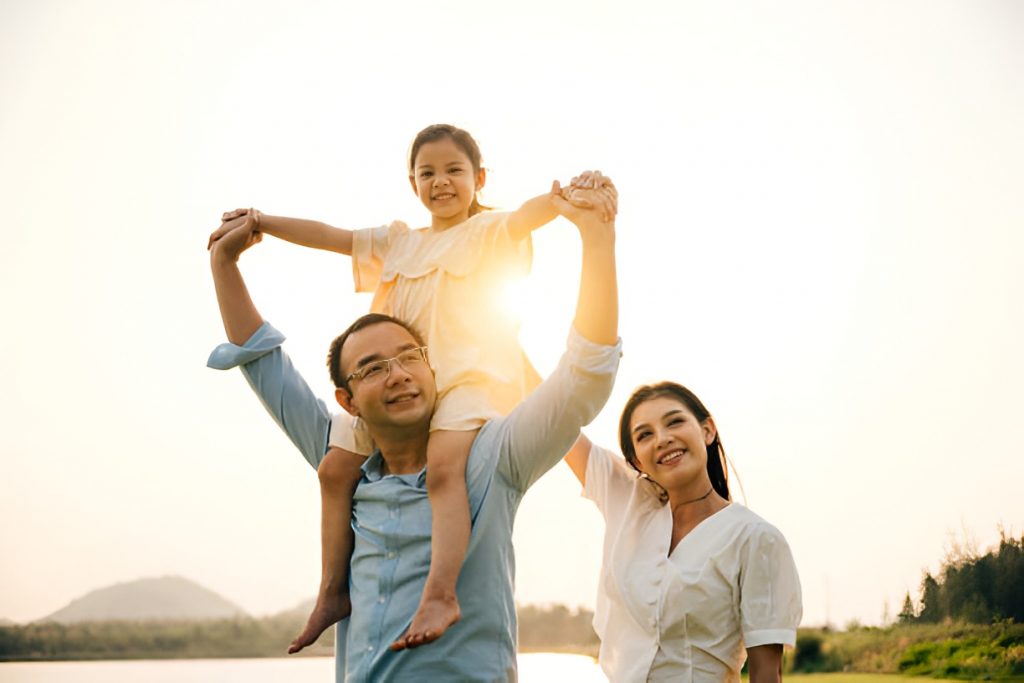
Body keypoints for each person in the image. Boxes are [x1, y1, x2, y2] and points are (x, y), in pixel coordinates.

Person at [208, 123, 615, 652]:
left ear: (479, 178)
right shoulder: (398, 243)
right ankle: (332, 591)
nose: (440, 182)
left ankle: (441, 591)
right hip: (397, 390)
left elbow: (528, 215)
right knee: (334, 468)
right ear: (412, 182)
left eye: (454, 170)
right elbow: (330, 235)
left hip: (466, 383)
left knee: (445, 470)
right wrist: (263, 223)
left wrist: (567, 200)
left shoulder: (487, 231)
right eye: (427, 172)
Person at [565, 382, 802, 682]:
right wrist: (504, 349)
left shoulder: (754, 538)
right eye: (645, 435)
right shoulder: (628, 505)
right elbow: (556, 419)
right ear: (636, 460)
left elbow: (767, 673)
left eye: (674, 421)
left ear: (707, 430)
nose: (662, 439)